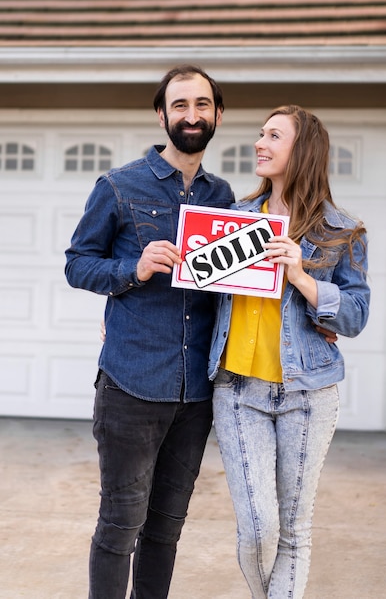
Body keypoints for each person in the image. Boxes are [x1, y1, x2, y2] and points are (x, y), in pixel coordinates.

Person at [64, 65, 235, 599]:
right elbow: (77, 264)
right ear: (161, 115)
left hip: (196, 393)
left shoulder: (224, 197)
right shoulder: (118, 186)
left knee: (166, 530)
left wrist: (313, 318)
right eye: (180, 105)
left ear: (217, 116)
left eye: (202, 105)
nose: (191, 115)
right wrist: (131, 270)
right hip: (132, 387)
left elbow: (240, 287)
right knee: (120, 526)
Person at [208, 104, 371, 599]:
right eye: (261, 133)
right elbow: (191, 294)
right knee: (258, 529)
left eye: (273, 136)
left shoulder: (341, 231)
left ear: (302, 151)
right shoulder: (231, 220)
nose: (259, 143)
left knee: (294, 532)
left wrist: (302, 277)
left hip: (309, 392)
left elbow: (357, 316)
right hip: (237, 390)